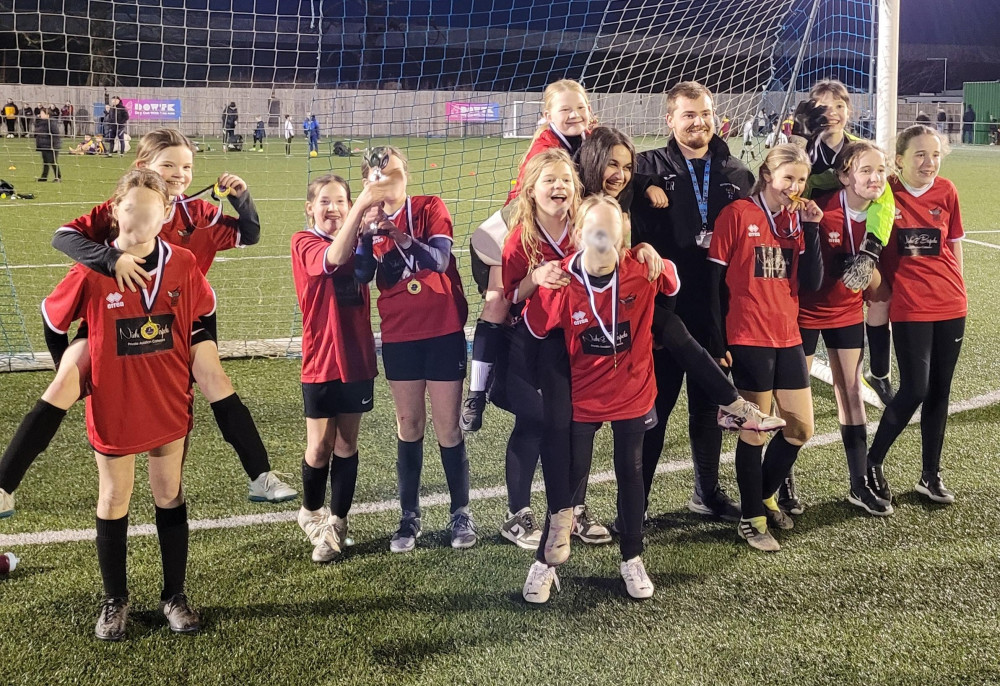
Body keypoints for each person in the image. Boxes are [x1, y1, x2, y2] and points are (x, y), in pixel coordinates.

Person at [0, 129, 295, 520]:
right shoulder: (123, 208)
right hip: (115, 317)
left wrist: (243, 198)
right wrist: (110, 260)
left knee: (214, 378)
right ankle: (4, 485)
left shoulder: (199, 213)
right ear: (142, 167)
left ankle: (260, 475)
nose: (179, 174)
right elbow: (62, 237)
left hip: (179, 319)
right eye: (168, 164)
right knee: (64, 382)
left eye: (187, 166)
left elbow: (250, 233)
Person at [40, 169, 216, 640]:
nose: (139, 218)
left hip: (165, 403)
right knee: (114, 496)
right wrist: (76, 375)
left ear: (165, 216)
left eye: (150, 210)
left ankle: (174, 595)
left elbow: (202, 316)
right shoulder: (94, 267)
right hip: (115, 403)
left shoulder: (182, 262)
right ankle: (115, 599)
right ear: (113, 210)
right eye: (130, 209)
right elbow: (53, 319)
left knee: (169, 494)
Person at [521, 195, 679, 602]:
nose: (605, 235)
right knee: (574, 475)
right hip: (584, 394)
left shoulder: (638, 268)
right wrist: (541, 283)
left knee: (631, 469)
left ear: (624, 232)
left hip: (630, 389)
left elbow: (673, 284)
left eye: (613, 227)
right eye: (596, 228)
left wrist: (652, 254)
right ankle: (546, 562)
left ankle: (632, 557)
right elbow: (537, 330)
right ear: (579, 233)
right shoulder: (564, 278)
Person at [633, 81, 755, 522]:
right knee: (654, 413)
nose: (698, 122)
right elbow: (602, 177)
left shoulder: (737, 173)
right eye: (688, 114)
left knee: (708, 411)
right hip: (662, 316)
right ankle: (637, 505)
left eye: (704, 113)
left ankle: (706, 493)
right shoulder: (646, 166)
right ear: (670, 120)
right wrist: (644, 182)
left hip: (714, 316)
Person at [352, 146, 475, 552]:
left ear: (406, 174)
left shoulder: (428, 207)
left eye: (394, 173)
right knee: (409, 426)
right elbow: (361, 275)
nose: (386, 181)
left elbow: (439, 261)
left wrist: (399, 235)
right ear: (368, 181)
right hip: (400, 334)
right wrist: (366, 237)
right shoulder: (366, 222)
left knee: (447, 427)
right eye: (377, 176)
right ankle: (409, 516)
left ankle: (460, 513)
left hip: (442, 330)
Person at [707, 143, 824, 551]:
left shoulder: (797, 220)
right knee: (754, 432)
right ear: (767, 174)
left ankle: (765, 494)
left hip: (788, 334)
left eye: (801, 179)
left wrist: (811, 228)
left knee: (800, 428)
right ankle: (751, 518)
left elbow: (811, 282)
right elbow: (712, 283)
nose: (794, 186)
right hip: (747, 334)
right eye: (788, 177)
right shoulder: (737, 214)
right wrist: (717, 339)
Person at [463, 79, 594, 433]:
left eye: (580, 107)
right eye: (565, 109)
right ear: (547, 115)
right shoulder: (545, 148)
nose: (574, 115)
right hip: (513, 228)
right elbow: (533, 204)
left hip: (552, 228)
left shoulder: (585, 134)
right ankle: (477, 391)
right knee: (498, 303)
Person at [866, 125, 966, 506]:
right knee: (915, 389)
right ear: (900, 159)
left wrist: (962, 293)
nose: (929, 163)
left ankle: (930, 474)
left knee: (940, 391)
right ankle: (871, 463)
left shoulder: (948, 191)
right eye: (920, 155)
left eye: (935, 155)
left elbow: (954, 246)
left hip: (951, 304)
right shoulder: (886, 192)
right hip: (910, 307)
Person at [798, 140, 893, 516]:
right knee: (794, 398)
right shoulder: (822, 212)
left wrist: (871, 273)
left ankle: (858, 482)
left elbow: (877, 287)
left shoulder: (881, 215)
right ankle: (785, 483)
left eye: (880, 171)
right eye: (865, 170)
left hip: (846, 313)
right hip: (804, 313)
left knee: (851, 391)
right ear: (844, 175)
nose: (875, 178)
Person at [291, 174, 379, 563]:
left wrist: (373, 230)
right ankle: (310, 512)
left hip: (357, 357)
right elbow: (332, 260)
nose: (333, 209)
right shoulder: (304, 241)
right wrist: (360, 209)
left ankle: (338, 524)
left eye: (341, 201)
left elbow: (367, 272)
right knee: (319, 447)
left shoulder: (361, 239)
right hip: (321, 358)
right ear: (310, 208)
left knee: (346, 445)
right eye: (325, 202)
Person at [34, 108, 61, 183]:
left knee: (53, 161)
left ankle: (58, 177)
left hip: (52, 146)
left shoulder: (51, 122)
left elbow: (55, 134)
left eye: (42, 113)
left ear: (47, 115)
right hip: (44, 145)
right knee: (45, 161)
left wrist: (53, 145)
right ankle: (44, 177)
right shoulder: (41, 122)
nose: (40, 115)